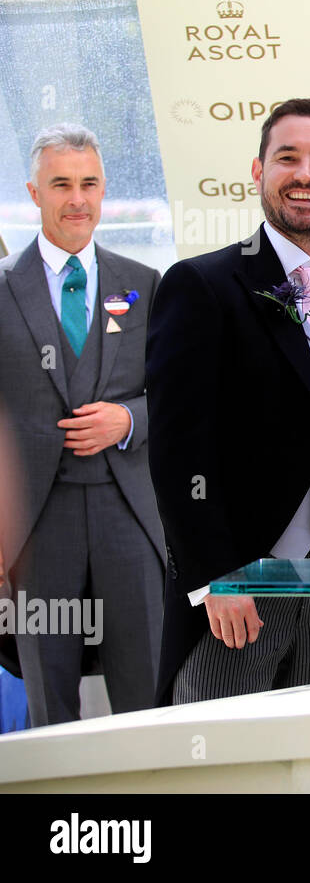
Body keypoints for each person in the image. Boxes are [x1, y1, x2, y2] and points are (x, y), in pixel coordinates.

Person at [148, 99, 310, 704]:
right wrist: (216, 577)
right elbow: (175, 449)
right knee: (220, 762)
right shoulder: (203, 285)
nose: (304, 174)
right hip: (241, 586)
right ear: (258, 171)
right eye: (286, 158)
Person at [0, 124, 164, 725]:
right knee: (49, 700)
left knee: (145, 691)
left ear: (103, 191)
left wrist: (128, 418)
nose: (77, 199)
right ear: (33, 192)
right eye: (61, 184)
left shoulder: (145, 285)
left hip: (130, 515)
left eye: (89, 184)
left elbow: (176, 399)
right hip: (35, 527)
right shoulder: (2, 289)